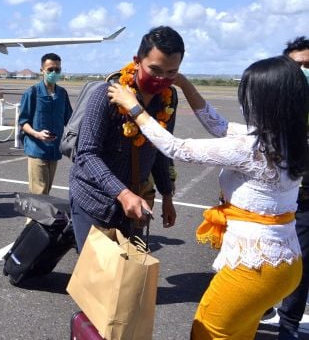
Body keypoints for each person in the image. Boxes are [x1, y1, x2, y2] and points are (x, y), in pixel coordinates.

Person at [108, 55, 309, 339]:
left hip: (255, 266)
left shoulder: (251, 148)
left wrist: (135, 108)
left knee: (206, 331)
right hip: (285, 265)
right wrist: (184, 82)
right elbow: (219, 126)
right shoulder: (288, 139)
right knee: (240, 332)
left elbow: (177, 148)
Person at [69, 26, 180, 249]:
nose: (161, 79)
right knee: (99, 278)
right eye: (155, 70)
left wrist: (167, 196)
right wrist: (122, 193)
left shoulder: (168, 100)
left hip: (134, 203)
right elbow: (86, 153)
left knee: (127, 277)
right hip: (95, 201)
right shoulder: (106, 95)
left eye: (171, 73)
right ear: (137, 61)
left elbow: (160, 150)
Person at [274, 35, 309, 340]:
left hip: (305, 199)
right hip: (276, 199)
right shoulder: (274, 105)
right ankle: (261, 309)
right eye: (299, 66)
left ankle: (288, 324)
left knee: (302, 263)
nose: (304, 73)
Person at [18, 53, 72, 195]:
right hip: (37, 149)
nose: (54, 73)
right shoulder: (32, 93)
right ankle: (34, 218)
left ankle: (39, 217)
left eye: (57, 70)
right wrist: (37, 134)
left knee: (46, 190)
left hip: (54, 150)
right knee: (39, 192)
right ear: (42, 70)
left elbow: (70, 120)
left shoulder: (62, 94)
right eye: (50, 70)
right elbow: (23, 122)